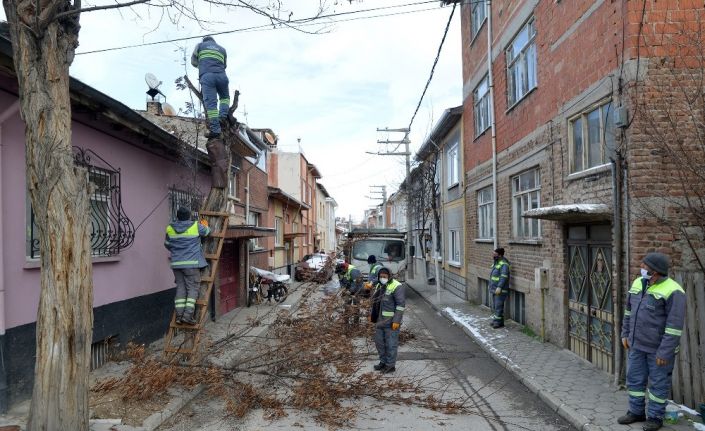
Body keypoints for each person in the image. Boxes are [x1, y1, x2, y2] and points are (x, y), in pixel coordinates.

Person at [618, 252, 686, 431]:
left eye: (645, 266)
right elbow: (628, 311)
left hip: (658, 351)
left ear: (655, 271)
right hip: (636, 345)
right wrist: (625, 334)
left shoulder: (674, 291)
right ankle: (636, 412)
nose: (641, 268)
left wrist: (665, 352)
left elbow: (674, 327)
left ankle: (655, 417)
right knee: (634, 380)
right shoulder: (637, 283)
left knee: (658, 384)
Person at [164, 206, 210, 325]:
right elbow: (207, 232)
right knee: (193, 288)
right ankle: (188, 316)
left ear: (177, 216)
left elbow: (167, 244)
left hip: (176, 264)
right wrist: (205, 224)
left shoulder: (170, 228)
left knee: (180, 288)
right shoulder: (195, 226)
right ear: (189, 216)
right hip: (191, 264)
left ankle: (179, 316)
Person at [191, 36, 229, 139]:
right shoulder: (222, 49)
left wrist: (203, 65)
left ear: (204, 40)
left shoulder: (200, 46)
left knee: (211, 104)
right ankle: (222, 117)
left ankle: (216, 130)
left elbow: (193, 62)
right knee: (225, 98)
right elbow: (225, 65)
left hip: (207, 76)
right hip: (222, 76)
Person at [369, 267, 405, 374]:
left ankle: (390, 365)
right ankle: (383, 362)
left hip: (390, 322)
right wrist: (372, 315)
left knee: (391, 345)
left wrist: (396, 320)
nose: (382, 278)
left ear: (389, 276)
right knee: (379, 343)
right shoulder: (379, 285)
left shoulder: (396, 286)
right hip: (379, 321)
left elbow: (400, 305)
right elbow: (375, 302)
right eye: (381, 276)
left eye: (384, 276)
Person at [335, 262, 364, 326]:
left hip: (357, 290)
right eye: (339, 273)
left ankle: (356, 323)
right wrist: (343, 288)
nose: (340, 274)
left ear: (344, 268)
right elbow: (341, 281)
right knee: (347, 305)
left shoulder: (353, 271)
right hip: (348, 289)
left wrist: (350, 291)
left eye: (341, 272)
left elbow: (356, 283)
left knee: (356, 306)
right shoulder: (340, 272)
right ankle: (346, 321)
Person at [490, 247, 510, 328]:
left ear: (500, 255)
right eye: (493, 254)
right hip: (495, 289)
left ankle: (497, 322)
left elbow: (503, 277)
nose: (493, 255)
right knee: (496, 306)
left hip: (500, 290)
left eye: (495, 254)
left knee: (498, 306)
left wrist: (499, 287)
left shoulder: (504, 264)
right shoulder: (497, 262)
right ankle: (499, 321)